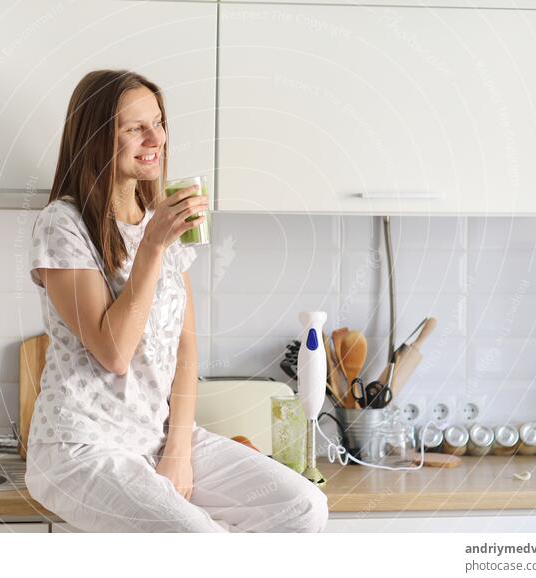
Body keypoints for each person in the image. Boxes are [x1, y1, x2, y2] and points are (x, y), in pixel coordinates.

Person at [24, 69, 328, 532]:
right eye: (135, 128)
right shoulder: (62, 224)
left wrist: (179, 451)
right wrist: (152, 247)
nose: (156, 137)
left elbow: (185, 350)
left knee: (303, 507)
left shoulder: (158, 220)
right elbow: (113, 353)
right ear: (97, 138)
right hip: (79, 447)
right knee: (195, 538)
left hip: (156, 437)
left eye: (159, 122)